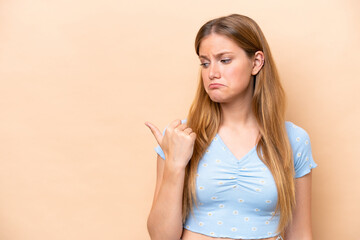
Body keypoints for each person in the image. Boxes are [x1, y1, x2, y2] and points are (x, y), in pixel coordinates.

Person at [145, 13, 318, 240]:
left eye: (224, 60)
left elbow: (300, 234)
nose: (212, 73)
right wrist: (175, 165)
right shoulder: (181, 137)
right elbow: (161, 237)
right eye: (205, 63)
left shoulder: (293, 140)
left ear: (256, 62)